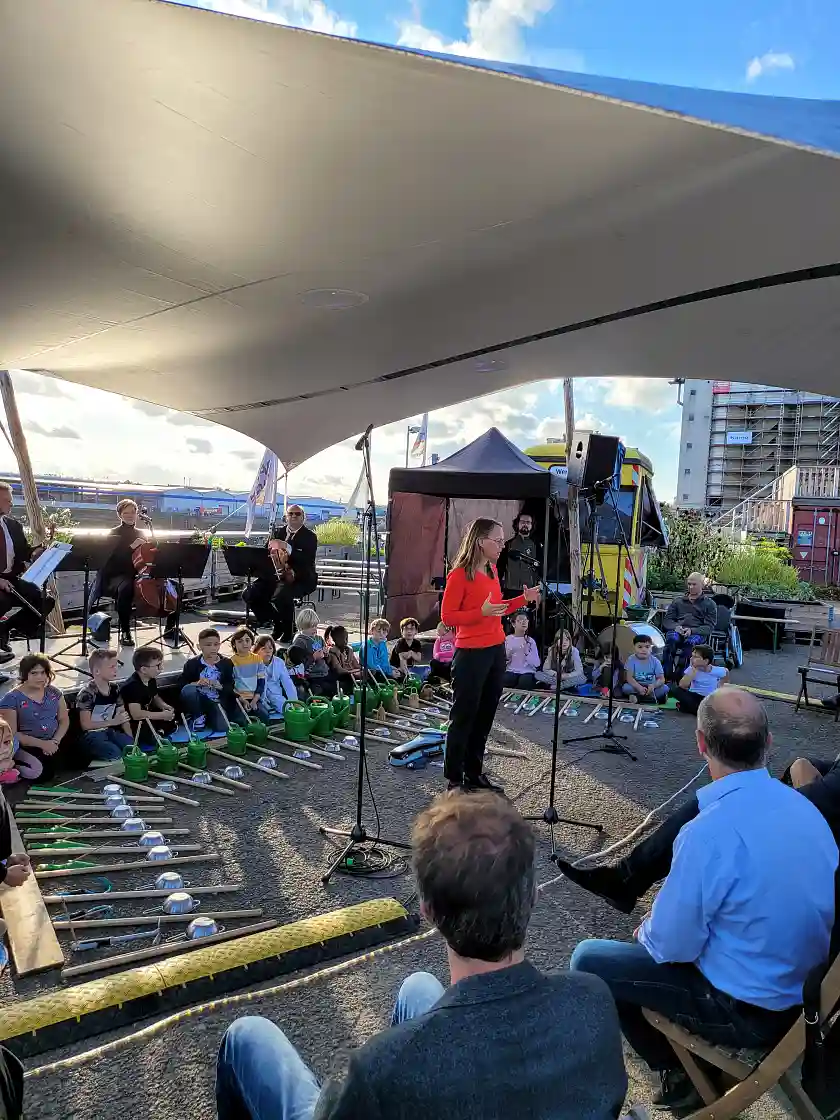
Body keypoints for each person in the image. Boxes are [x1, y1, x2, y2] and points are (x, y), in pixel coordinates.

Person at [215, 790, 628, 1120]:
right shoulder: (592, 1000)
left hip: (407, 1077)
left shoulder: (377, 1070)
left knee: (248, 1036)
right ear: (533, 900)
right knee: (419, 988)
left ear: (429, 914)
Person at [566, 688, 838, 1110]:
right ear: (769, 743)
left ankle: (674, 1069)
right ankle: (684, 1069)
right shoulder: (808, 812)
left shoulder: (708, 831)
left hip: (746, 1010)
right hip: (800, 995)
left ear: (700, 745)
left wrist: (652, 930)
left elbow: (670, 945)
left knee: (590, 958)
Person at [441, 518, 540, 792]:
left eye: (501, 539)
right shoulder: (460, 574)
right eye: (497, 540)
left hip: (495, 650)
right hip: (471, 653)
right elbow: (447, 616)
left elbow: (498, 608)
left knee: (485, 715)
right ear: (480, 541)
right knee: (463, 716)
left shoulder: (493, 570)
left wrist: (523, 599)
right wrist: (479, 613)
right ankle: (454, 778)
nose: (501, 544)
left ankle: (474, 771)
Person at [244, 506, 318, 641]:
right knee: (249, 594)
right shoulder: (278, 531)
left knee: (282, 596)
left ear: (303, 517)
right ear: (286, 516)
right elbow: (264, 553)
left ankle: (288, 630)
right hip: (275, 575)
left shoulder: (310, 537)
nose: (294, 516)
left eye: (297, 514)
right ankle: (278, 624)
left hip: (301, 578)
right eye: (291, 514)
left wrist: (287, 547)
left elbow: (306, 560)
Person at [0, 481, 53, 666]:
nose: (11, 504)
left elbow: (23, 551)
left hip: (11, 579)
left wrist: (35, 553)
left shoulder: (13, 525)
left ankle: (6, 627)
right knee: (2, 601)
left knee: (45, 600)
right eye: (7, 500)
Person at [0, 653, 69, 781]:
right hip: (28, 745)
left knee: (80, 760)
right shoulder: (11, 699)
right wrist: (43, 744)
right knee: (43, 773)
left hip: (54, 740)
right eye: (34, 673)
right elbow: (12, 734)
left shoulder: (54, 692)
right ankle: (11, 769)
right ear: (24, 674)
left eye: (43, 672)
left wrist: (55, 741)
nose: (40, 677)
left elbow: (64, 719)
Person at [180, 628, 245, 734]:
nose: (213, 648)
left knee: (222, 728)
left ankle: (211, 717)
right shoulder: (192, 664)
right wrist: (196, 683)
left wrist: (219, 686)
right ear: (199, 647)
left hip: (217, 701)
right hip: (199, 700)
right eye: (208, 645)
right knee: (189, 690)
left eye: (216, 644)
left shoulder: (226, 663)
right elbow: (182, 685)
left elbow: (231, 686)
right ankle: (198, 715)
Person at [76, 649, 133, 762]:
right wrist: (113, 722)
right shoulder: (87, 693)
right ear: (97, 671)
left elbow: (123, 716)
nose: (116, 669)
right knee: (114, 753)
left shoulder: (114, 688)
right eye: (111, 667)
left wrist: (131, 739)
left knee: (130, 748)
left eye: (116, 666)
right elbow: (86, 725)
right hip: (91, 734)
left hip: (108, 730)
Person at [661, 572, 718, 679]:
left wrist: (692, 630)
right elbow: (667, 620)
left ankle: (681, 675)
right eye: (689, 584)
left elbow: (709, 627)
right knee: (671, 640)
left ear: (702, 585)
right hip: (677, 630)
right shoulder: (678, 601)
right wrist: (676, 627)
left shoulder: (710, 604)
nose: (691, 587)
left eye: (694, 584)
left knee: (690, 644)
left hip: (696, 632)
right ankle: (666, 674)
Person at [120, 647, 177, 748]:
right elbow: (136, 715)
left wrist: (165, 707)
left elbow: (155, 697)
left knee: (172, 717)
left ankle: (159, 732)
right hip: (134, 722)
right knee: (145, 728)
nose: (161, 668)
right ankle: (157, 734)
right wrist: (162, 715)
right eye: (158, 665)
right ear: (144, 669)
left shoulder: (151, 680)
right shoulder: (132, 686)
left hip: (148, 715)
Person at [671, 644, 727, 715]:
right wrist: (694, 669)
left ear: (706, 661)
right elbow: (682, 685)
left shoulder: (718, 671)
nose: (691, 659)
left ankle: (690, 708)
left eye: (695, 657)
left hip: (708, 698)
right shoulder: (691, 669)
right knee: (676, 690)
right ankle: (700, 710)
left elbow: (725, 680)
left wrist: (719, 690)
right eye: (692, 656)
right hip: (693, 696)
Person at [291, 608, 335, 697]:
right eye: (311, 627)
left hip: (324, 672)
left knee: (336, 685)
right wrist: (314, 657)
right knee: (320, 690)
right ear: (303, 627)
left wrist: (326, 654)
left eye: (316, 626)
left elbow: (326, 658)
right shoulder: (300, 641)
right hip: (312, 676)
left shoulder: (319, 639)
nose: (315, 629)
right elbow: (298, 664)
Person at [253, 635, 298, 718]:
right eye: (263, 649)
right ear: (256, 651)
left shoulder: (279, 662)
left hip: (275, 694)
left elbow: (287, 683)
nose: (268, 651)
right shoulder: (253, 663)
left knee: (289, 709)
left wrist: (295, 701)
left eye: (270, 648)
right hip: (258, 696)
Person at [498, 512, 541, 599]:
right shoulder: (508, 545)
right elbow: (500, 567)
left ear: (532, 525)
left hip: (530, 591)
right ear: (517, 524)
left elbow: (541, 568)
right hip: (510, 590)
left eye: (528, 522)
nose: (525, 524)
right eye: (522, 522)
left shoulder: (536, 545)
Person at [229, 627, 269, 720]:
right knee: (240, 719)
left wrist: (255, 700)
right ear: (234, 644)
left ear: (252, 642)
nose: (244, 644)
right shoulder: (231, 661)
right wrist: (242, 700)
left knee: (265, 717)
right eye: (240, 641)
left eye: (247, 640)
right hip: (239, 698)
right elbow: (230, 685)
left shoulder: (257, 659)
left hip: (254, 697)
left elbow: (261, 681)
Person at [621, 634, 668, 704]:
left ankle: (638, 698)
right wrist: (639, 687)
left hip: (651, 686)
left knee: (665, 688)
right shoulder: (631, 659)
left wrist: (653, 686)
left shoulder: (655, 661)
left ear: (651, 649)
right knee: (626, 688)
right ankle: (651, 698)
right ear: (634, 648)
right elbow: (629, 678)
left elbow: (661, 679)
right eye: (640, 647)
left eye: (647, 647)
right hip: (636, 686)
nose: (644, 650)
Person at [503, 611, 541, 690]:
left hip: (527, 671)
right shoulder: (508, 639)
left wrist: (527, 653)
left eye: (526, 620)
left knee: (524, 683)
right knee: (506, 680)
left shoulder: (530, 641)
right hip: (511, 670)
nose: (524, 622)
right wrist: (509, 653)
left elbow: (537, 663)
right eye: (520, 620)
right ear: (513, 624)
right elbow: (503, 659)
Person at [365, 618, 404, 682]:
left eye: (384, 631)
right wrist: (390, 672)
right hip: (371, 673)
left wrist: (391, 668)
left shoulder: (382, 644)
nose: (381, 634)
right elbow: (372, 666)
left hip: (382, 671)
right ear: (372, 631)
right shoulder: (367, 646)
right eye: (378, 631)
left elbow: (384, 662)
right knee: (393, 678)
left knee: (402, 674)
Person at [323, 625, 360, 692]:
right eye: (343, 639)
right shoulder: (332, 653)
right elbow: (340, 671)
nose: (345, 641)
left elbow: (357, 665)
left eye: (347, 638)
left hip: (352, 674)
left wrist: (363, 670)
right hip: (343, 678)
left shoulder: (348, 650)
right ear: (334, 640)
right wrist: (354, 674)